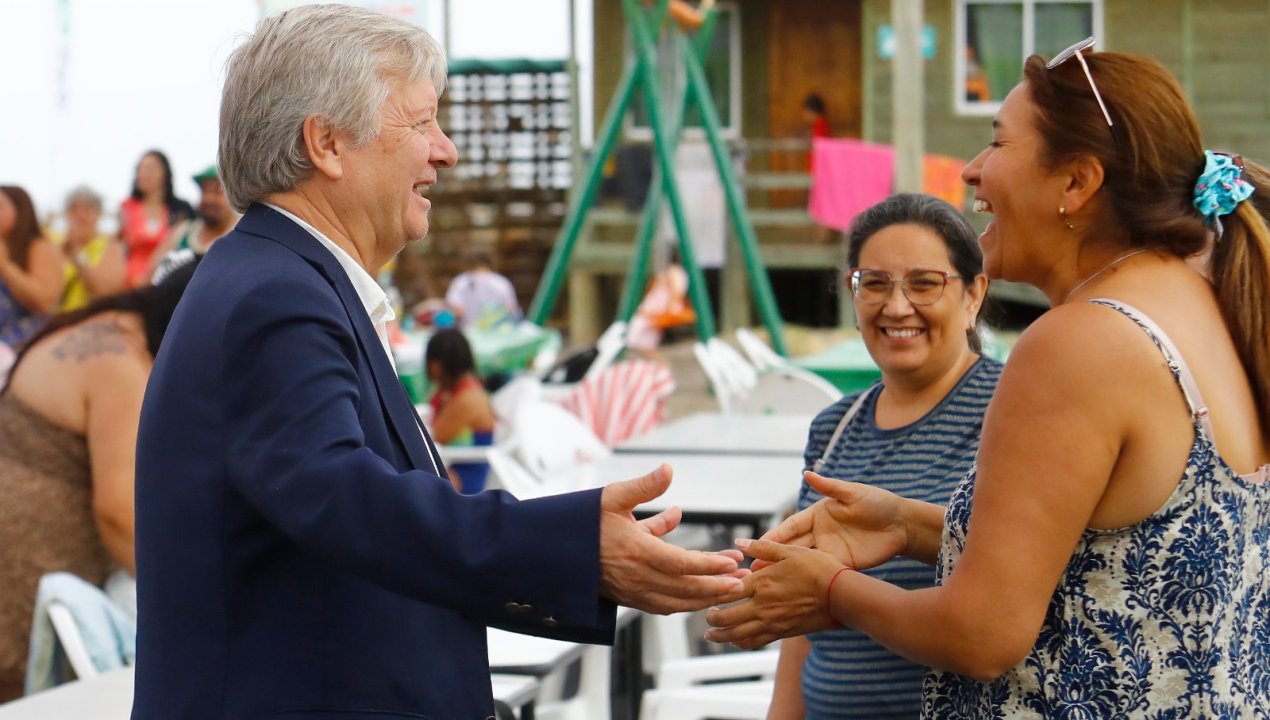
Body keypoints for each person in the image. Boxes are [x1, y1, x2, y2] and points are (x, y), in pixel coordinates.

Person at [132, 6, 744, 719]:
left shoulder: (275, 279)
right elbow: (347, 500)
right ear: (326, 143)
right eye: (421, 123)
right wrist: (572, 548)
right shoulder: (277, 295)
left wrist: (576, 555)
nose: (446, 150)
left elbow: (357, 532)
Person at [705, 44, 1270, 717]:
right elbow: (1122, 557)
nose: (973, 169)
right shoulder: (1205, 311)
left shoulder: (1079, 340)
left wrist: (829, 589)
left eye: (997, 142)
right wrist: (913, 526)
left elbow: (982, 634)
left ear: (1076, 183)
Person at [767, 194, 1001, 720]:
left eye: (924, 284)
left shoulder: (1011, 415)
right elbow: (803, 624)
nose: (897, 307)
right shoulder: (834, 428)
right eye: (873, 284)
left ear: (972, 296)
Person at [0, 261, 198, 701]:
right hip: (17, 575)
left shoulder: (113, 329)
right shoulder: (119, 364)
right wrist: (192, 611)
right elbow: (119, 514)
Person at [425, 328, 496, 493]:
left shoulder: (465, 399)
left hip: (466, 477)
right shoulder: (469, 389)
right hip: (462, 468)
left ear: (437, 364)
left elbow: (434, 439)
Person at [146, 165, 240, 284]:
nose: (209, 199)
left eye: (218, 191)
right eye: (204, 191)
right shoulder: (182, 231)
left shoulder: (240, 234)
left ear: (234, 194)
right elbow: (149, 274)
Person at [118, 149, 193, 288]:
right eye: (140, 169)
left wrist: (148, 277)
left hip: (165, 281)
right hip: (129, 283)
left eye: (150, 168)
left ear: (165, 173)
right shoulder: (127, 207)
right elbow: (120, 247)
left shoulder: (180, 210)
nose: (143, 174)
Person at [0, 186, 63, 346]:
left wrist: (6, 266)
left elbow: (44, 302)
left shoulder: (40, 248)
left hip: (26, 346)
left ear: (20, 211)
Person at [56, 185, 127, 310]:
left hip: (91, 319)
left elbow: (105, 294)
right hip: (57, 319)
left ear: (98, 214)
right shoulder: (56, 247)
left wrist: (77, 256)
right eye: (73, 209)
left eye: (87, 209)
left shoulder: (111, 247)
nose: (80, 216)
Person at [445, 248, 521, 330]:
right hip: (498, 335)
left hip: (469, 334)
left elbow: (457, 311)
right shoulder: (501, 282)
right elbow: (512, 310)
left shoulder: (460, 282)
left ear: (467, 263)